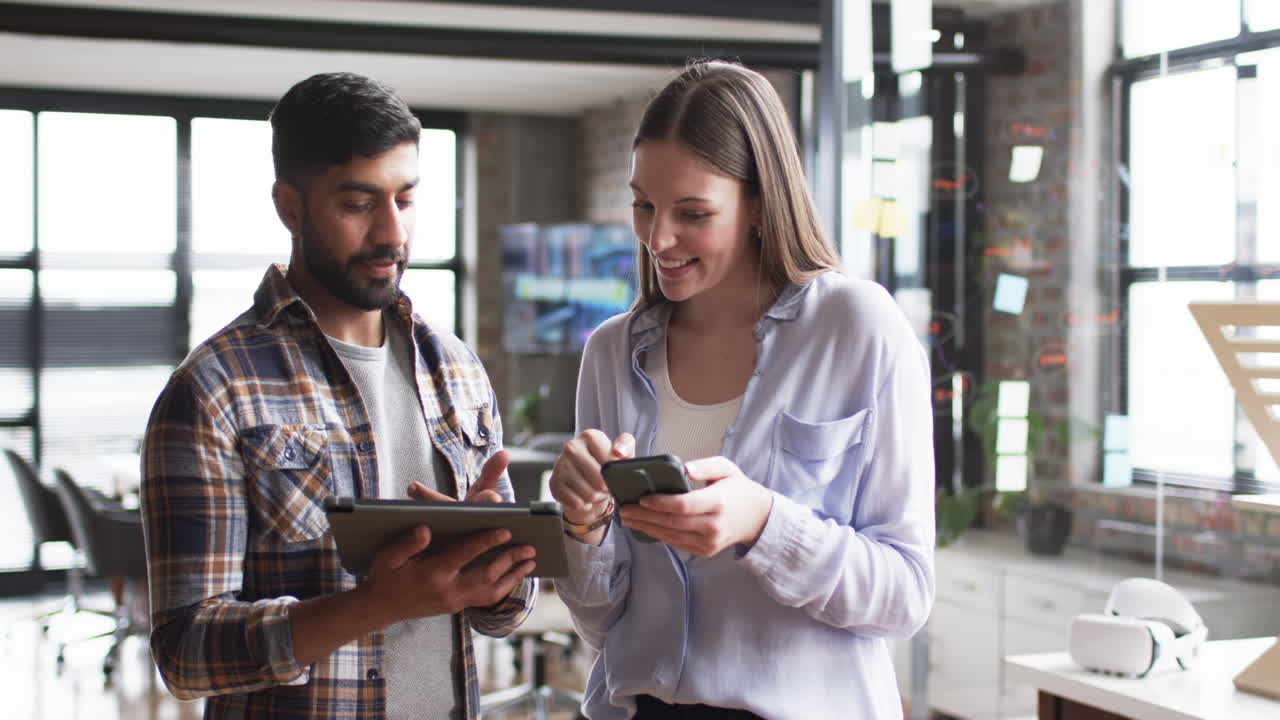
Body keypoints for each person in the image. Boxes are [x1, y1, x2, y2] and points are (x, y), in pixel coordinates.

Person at [141, 72, 537, 720]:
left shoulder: (458, 370)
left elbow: (503, 615)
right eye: (358, 204)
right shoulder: (213, 390)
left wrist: (496, 559)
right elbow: (186, 653)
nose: (391, 234)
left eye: (405, 200)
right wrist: (375, 604)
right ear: (290, 206)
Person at [549, 60, 936, 719]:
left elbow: (904, 596)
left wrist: (764, 525)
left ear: (759, 203)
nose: (657, 238)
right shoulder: (612, 352)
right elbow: (602, 618)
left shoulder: (858, 327)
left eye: (693, 213)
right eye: (644, 205)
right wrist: (582, 527)